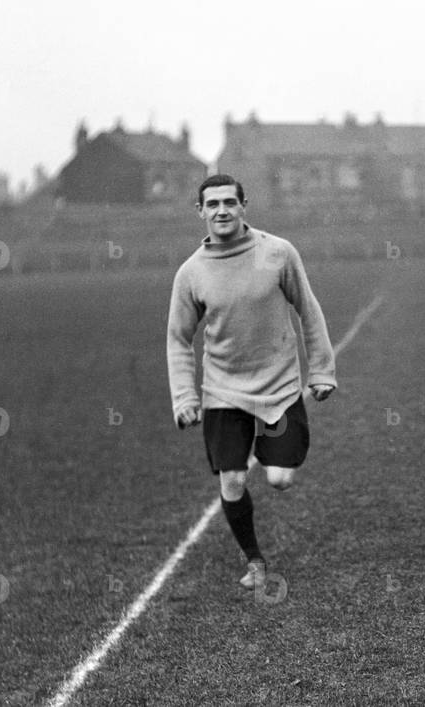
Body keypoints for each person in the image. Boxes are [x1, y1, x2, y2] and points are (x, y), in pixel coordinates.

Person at [167, 174, 336, 589]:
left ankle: (268, 445)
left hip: (278, 386)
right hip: (223, 390)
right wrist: (184, 396)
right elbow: (178, 338)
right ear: (200, 211)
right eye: (213, 204)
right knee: (234, 479)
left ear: (244, 205)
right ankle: (254, 560)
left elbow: (308, 310)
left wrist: (321, 370)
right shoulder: (191, 273)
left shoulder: (278, 253)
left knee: (279, 478)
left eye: (230, 202)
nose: (221, 210)